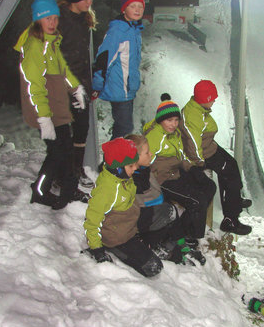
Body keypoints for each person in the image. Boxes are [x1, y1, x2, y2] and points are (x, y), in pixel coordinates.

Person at [84, 138, 198, 276]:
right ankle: (116, 249)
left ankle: (151, 244)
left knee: (169, 211)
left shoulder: (123, 177)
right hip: (118, 237)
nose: (136, 168)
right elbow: (92, 222)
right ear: (118, 168)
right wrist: (97, 249)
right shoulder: (106, 190)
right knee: (153, 267)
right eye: (131, 166)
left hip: (130, 221)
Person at [15, 0, 87, 209]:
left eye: (55, 18)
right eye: (47, 18)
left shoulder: (51, 42)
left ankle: (68, 188)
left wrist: (76, 89)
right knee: (57, 151)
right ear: (38, 19)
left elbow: (62, 71)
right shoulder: (34, 46)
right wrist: (43, 118)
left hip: (57, 106)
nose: (53, 23)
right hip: (43, 109)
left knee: (66, 148)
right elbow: (34, 86)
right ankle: (40, 190)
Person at [180, 80, 252, 235]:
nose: (214, 100)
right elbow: (192, 143)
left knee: (231, 165)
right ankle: (231, 220)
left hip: (209, 147)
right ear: (205, 99)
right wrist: (200, 164)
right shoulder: (193, 115)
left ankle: (235, 200)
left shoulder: (198, 109)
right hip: (204, 154)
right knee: (229, 175)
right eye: (212, 98)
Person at [143, 94, 216, 240]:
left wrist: (191, 168)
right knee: (197, 200)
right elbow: (145, 163)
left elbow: (181, 156)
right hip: (163, 179)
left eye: (176, 120)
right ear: (161, 120)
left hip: (176, 171)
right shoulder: (155, 137)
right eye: (169, 120)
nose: (173, 124)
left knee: (209, 186)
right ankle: (192, 236)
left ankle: (188, 224)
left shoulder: (175, 134)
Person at [126, 133, 205, 265]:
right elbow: (138, 205)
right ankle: (163, 250)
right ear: (134, 157)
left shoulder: (144, 170)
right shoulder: (132, 178)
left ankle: (180, 245)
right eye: (146, 153)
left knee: (170, 211)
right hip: (137, 224)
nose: (151, 154)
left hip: (148, 216)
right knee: (168, 212)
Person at [58, 0, 97, 194]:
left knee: (82, 129)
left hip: (80, 86)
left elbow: (83, 58)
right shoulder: (59, 20)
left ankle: (76, 168)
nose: (89, 2)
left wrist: (88, 86)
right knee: (63, 135)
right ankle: (62, 176)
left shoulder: (84, 19)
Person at [92, 0, 145, 139]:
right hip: (119, 88)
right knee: (125, 128)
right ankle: (114, 160)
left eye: (140, 6)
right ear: (124, 9)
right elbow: (104, 58)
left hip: (127, 88)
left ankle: (117, 159)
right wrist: (97, 84)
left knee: (124, 127)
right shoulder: (118, 31)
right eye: (132, 6)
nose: (137, 10)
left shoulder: (133, 30)